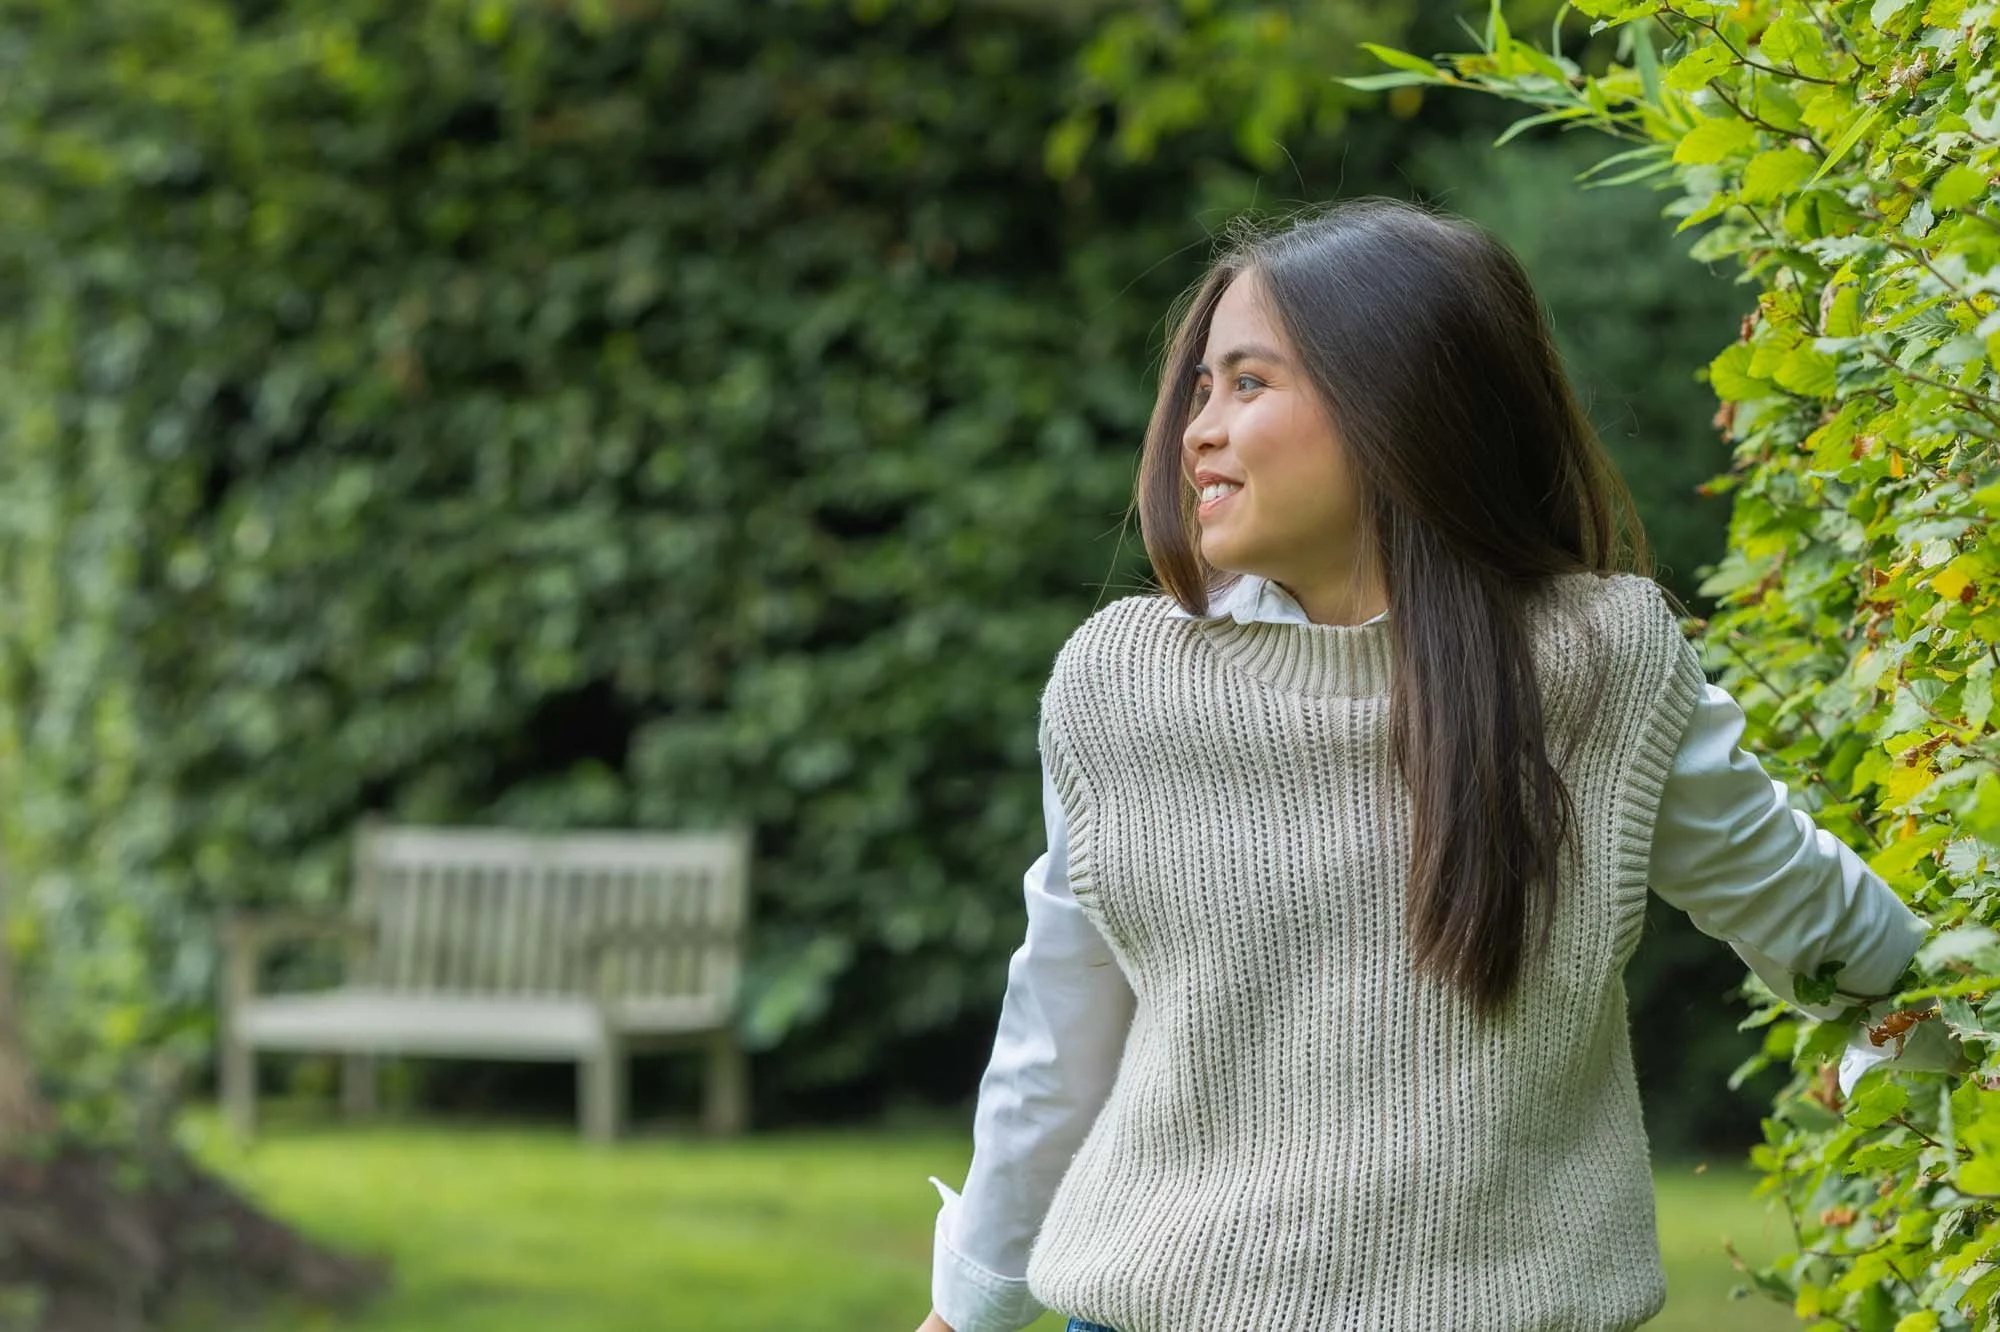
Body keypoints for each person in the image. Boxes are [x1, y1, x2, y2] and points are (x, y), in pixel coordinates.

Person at [910, 198, 1956, 1332]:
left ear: (1398, 407)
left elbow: (1800, 909)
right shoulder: (1121, 684)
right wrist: (969, 1308)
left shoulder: (1599, 664)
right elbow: (1054, 1035)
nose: (1194, 431)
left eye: (1248, 383)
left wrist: (1951, 1021)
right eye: (1199, 389)